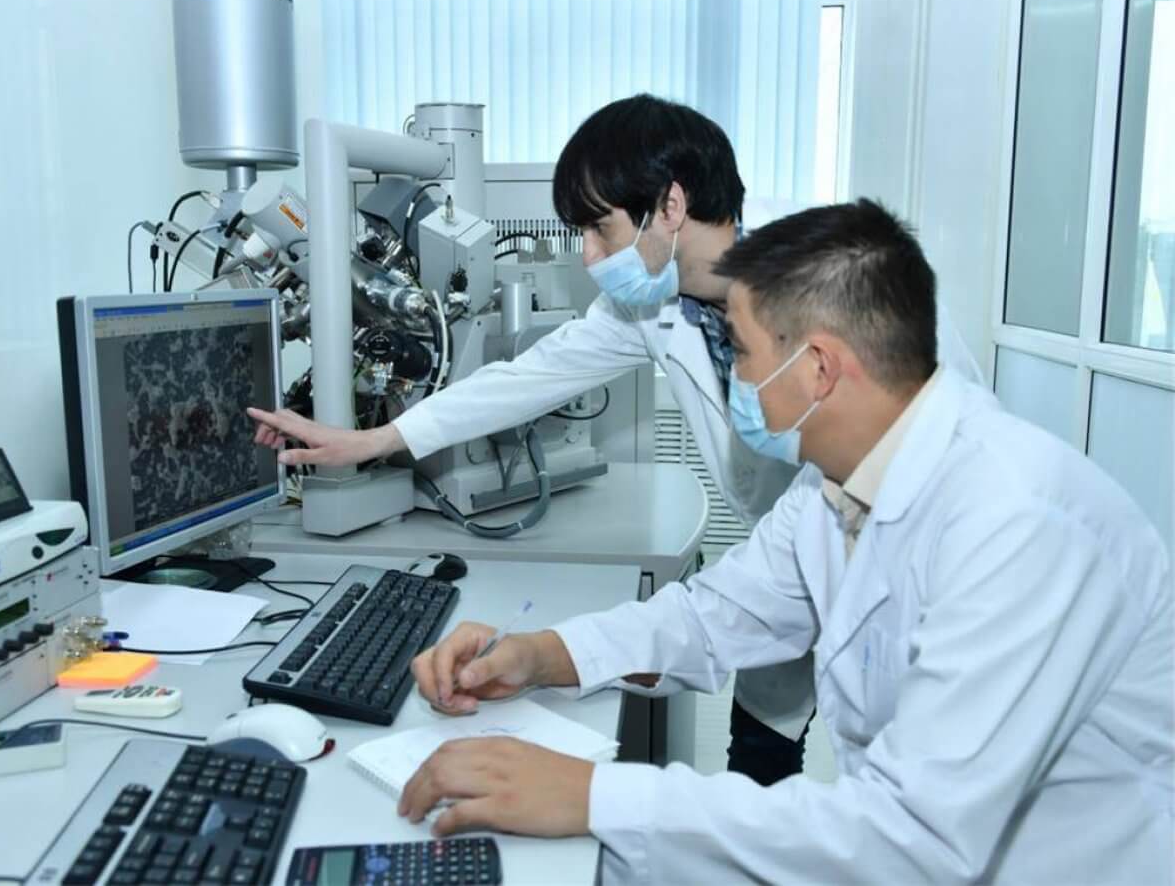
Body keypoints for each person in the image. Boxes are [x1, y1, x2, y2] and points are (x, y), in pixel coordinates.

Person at [401, 200, 1173, 884]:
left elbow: (911, 840)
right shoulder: (834, 488)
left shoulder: (1019, 522)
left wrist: (596, 794)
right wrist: (538, 654)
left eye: (737, 350)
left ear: (820, 369)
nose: (729, 374)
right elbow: (712, 615)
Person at [248, 95, 983, 784]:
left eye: (599, 228)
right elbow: (530, 378)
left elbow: (936, 453)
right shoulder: (658, 304)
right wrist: (373, 440)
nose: (588, 255)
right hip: (788, 557)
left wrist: (585, 786)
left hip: (899, 580)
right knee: (763, 752)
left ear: (671, 206)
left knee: (901, 755)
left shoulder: (852, 302)